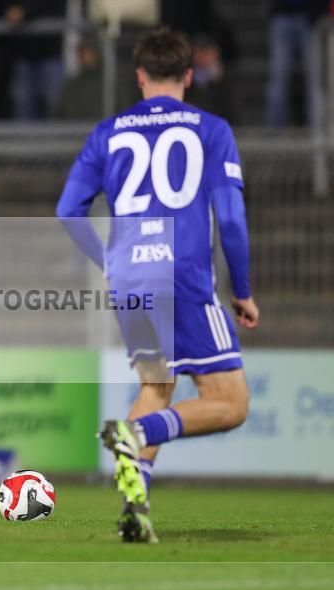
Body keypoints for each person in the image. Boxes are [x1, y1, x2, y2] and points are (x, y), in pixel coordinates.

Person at [55, 28, 258, 543]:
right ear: (189, 76)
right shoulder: (211, 130)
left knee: (157, 387)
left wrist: (109, 262)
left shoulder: (107, 132)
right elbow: (231, 219)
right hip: (182, 276)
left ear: (139, 76)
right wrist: (242, 289)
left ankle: (136, 509)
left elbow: (69, 210)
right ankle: (136, 433)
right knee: (231, 403)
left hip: (131, 280)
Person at [265, 0, 328, 127]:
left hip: (310, 19)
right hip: (282, 16)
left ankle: (317, 130)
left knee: (314, 79)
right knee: (279, 79)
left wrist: (318, 12)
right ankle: (274, 131)